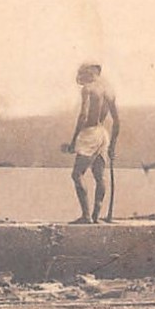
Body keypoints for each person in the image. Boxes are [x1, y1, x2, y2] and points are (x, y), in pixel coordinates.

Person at [65, 63, 120, 224]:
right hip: (103, 134)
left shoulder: (88, 89)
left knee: (77, 174)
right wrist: (112, 145)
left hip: (90, 133)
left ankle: (86, 216)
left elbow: (83, 115)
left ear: (90, 73)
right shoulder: (109, 90)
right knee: (99, 176)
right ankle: (96, 216)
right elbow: (117, 121)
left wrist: (73, 141)